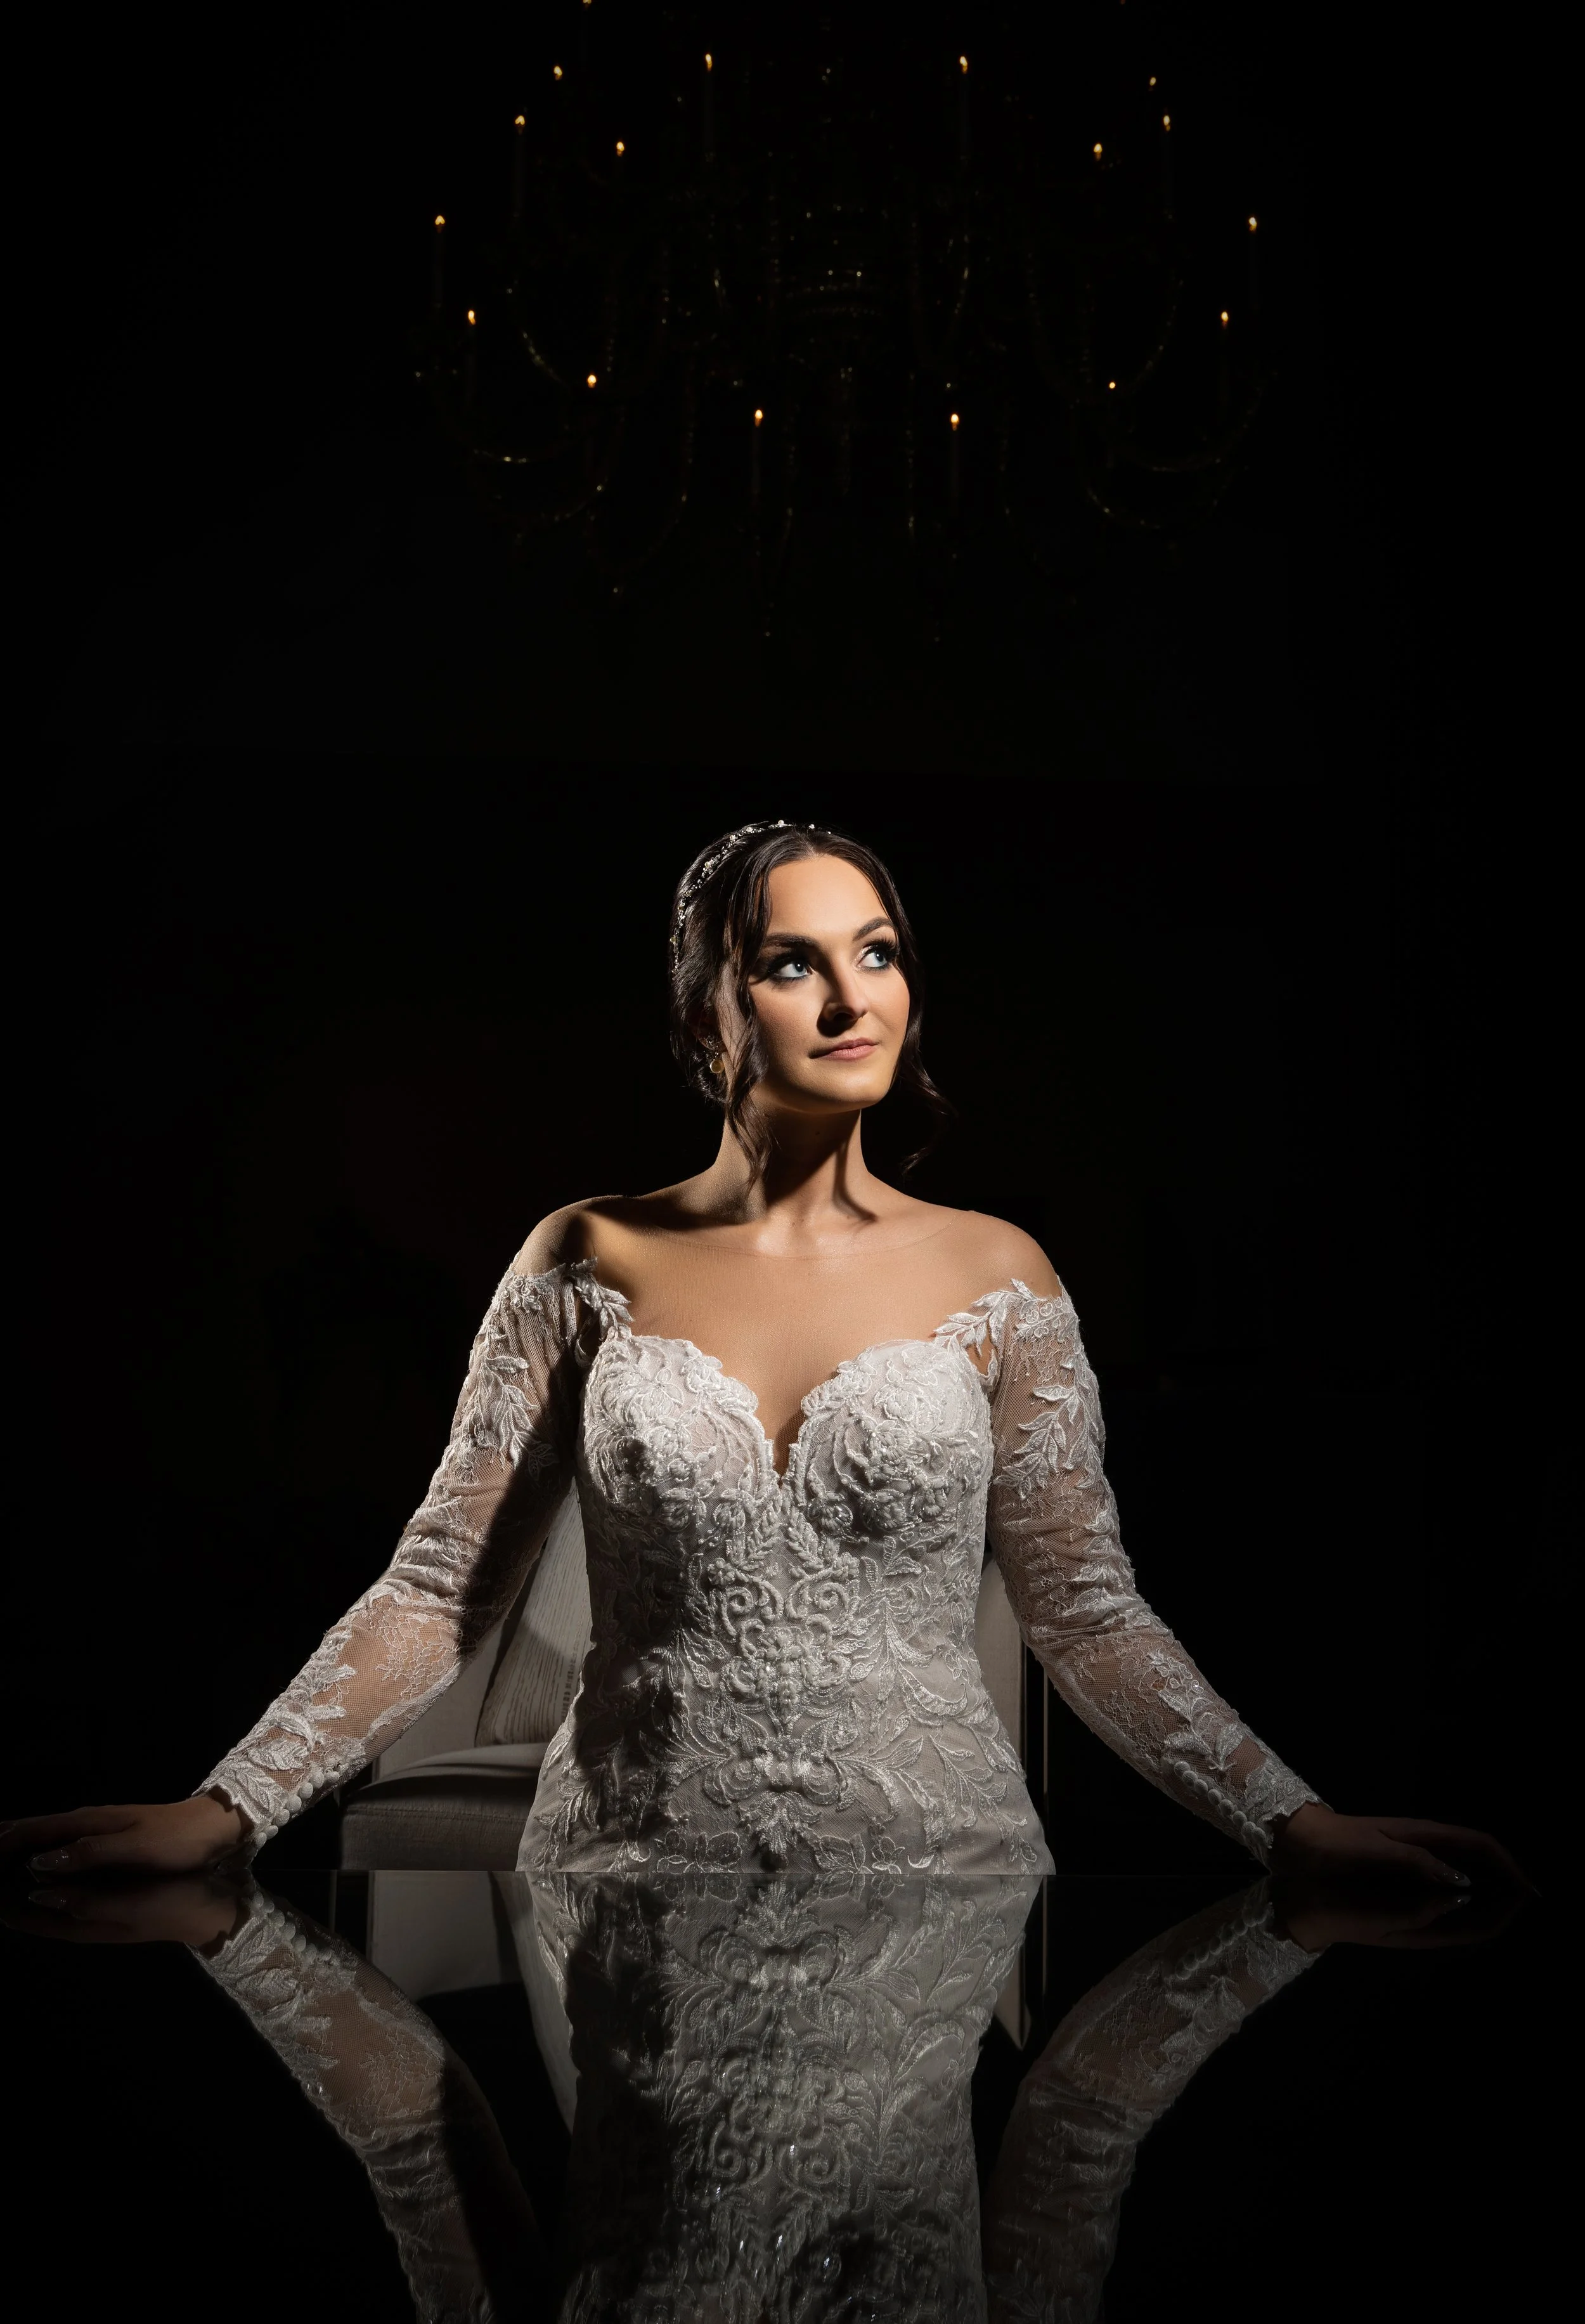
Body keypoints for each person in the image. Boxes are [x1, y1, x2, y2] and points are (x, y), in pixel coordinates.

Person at [0, 822, 1524, 1893]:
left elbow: (1085, 1613)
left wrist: (1291, 1824)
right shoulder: (585, 1255)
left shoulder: (996, 1274)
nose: (852, 997)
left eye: (877, 952)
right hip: (628, 1869)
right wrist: (229, 1808)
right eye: (792, 962)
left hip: (938, 1875)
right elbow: (439, 1588)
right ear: (704, 1009)